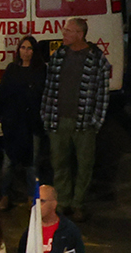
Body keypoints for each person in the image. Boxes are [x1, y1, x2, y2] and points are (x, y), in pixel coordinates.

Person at [42, 18, 110, 218]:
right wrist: (46, 114)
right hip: (58, 119)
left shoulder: (97, 59)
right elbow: (49, 87)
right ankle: (63, 202)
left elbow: (103, 94)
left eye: (68, 31)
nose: (63, 34)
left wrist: (96, 121)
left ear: (80, 35)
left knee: (84, 165)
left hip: (84, 123)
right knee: (59, 163)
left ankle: (78, 203)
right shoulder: (59, 56)